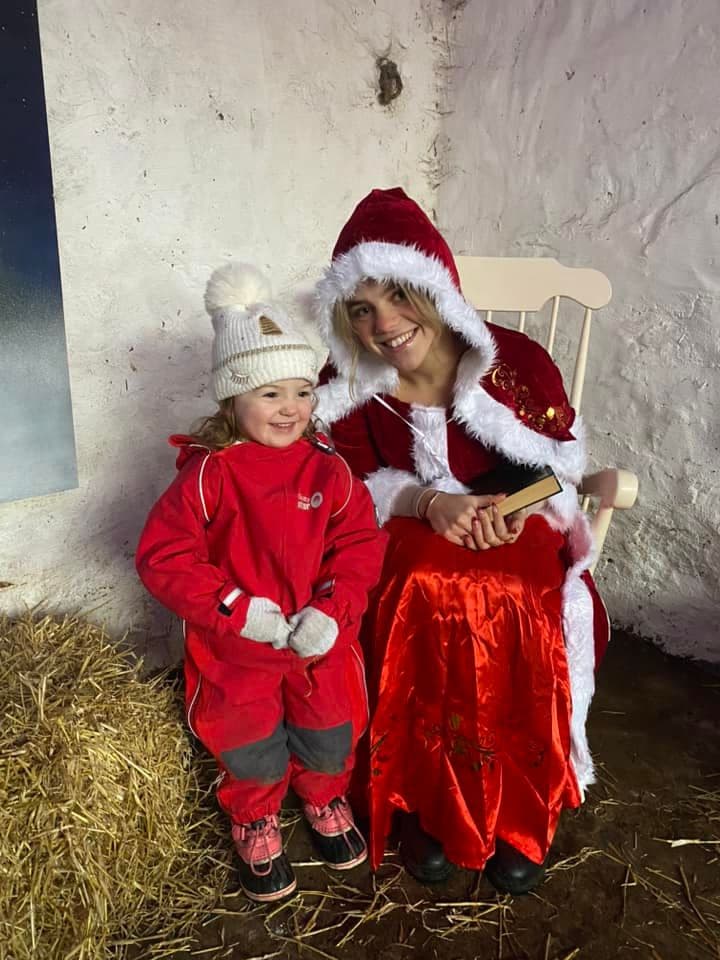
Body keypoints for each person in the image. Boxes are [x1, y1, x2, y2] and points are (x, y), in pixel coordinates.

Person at [312, 188, 609, 895]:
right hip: (408, 524)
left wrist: (517, 507)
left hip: (520, 521)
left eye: (398, 295)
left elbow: (559, 469)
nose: (385, 324)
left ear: (434, 284)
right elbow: (346, 485)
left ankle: (518, 807)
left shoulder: (514, 363)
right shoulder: (349, 385)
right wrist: (426, 501)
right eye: (362, 309)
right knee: (418, 586)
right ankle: (423, 799)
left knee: (511, 593)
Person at [136, 263, 387, 903]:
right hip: (239, 644)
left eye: (302, 392)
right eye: (270, 394)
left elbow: (360, 545)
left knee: (330, 727)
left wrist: (334, 610)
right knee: (246, 737)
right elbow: (164, 557)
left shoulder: (329, 470)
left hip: (316, 642)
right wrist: (236, 610)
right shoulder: (209, 474)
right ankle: (254, 815)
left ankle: (324, 796)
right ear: (233, 398)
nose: (291, 408)